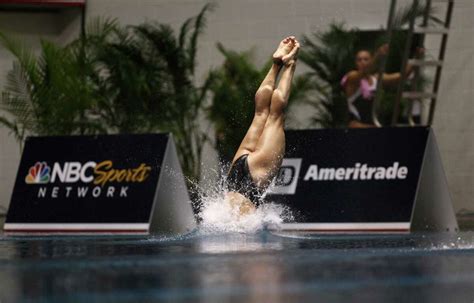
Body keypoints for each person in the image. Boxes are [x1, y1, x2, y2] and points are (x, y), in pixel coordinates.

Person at [225, 36, 300, 215]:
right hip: (233, 176)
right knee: (260, 113)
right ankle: (276, 64)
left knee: (276, 116)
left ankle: (289, 64)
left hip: (253, 184)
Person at [341, 44, 424, 128]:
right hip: (357, 126)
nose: (362, 62)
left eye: (366, 59)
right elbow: (364, 72)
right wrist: (378, 56)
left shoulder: (376, 78)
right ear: (356, 63)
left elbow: (401, 77)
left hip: (373, 125)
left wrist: (415, 59)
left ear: (370, 60)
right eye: (359, 60)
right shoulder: (351, 77)